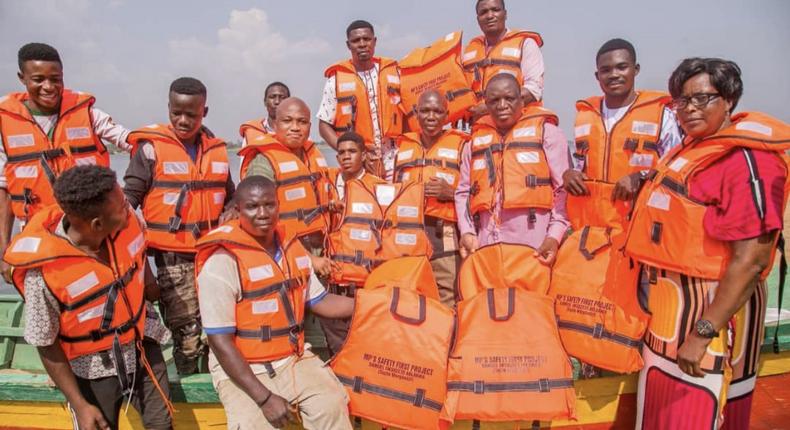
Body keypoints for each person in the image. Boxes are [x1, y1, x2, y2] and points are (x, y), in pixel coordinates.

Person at [624, 58, 789, 429]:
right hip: (669, 315)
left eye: (702, 99)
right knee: (659, 413)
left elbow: (751, 260)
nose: (689, 109)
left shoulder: (749, 161)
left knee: (701, 409)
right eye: (681, 102)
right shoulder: (691, 151)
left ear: (729, 99)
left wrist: (703, 333)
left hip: (710, 321)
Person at [3, 165, 172, 430]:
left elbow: (138, 256)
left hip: (141, 347)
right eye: (122, 207)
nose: (130, 209)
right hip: (90, 369)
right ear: (97, 224)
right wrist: (81, 405)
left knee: (162, 425)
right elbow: (45, 342)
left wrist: (151, 285)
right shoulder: (44, 274)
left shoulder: (129, 225)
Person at [196, 176, 353, 429]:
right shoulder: (221, 264)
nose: (262, 213)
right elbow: (219, 340)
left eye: (269, 205)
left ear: (279, 206)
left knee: (332, 405)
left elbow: (320, 301)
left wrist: (371, 305)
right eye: (252, 206)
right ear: (238, 211)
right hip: (243, 368)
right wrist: (264, 398)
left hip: (291, 358)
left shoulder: (292, 248)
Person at [123, 77, 235, 375]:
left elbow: (231, 198)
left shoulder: (218, 151)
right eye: (177, 113)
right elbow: (127, 202)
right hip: (172, 261)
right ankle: (189, 387)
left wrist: (231, 212)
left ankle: (219, 384)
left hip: (213, 256)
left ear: (204, 112)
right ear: (169, 108)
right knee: (187, 335)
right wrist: (140, 269)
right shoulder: (149, 150)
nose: (183, 120)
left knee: (221, 326)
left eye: (192, 114)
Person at [0, 43, 133, 280]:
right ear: (22, 78)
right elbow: (4, 190)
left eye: (56, 79)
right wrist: (3, 251)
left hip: (93, 233)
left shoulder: (89, 114)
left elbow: (132, 142)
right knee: (46, 296)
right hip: (38, 232)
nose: (48, 87)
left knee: (99, 295)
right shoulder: (4, 123)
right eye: (38, 79)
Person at [455, 73, 570, 265]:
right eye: (494, 100)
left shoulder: (548, 134)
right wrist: (466, 231)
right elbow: (463, 192)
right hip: (486, 246)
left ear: (521, 99)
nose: (501, 105)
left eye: (509, 98)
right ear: (486, 104)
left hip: (535, 247)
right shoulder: (474, 143)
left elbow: (563, 190)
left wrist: (554, 235)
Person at [563, 38, 682, 202]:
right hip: (594, 223)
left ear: (636, 69)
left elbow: (677, 169)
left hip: (639, 220)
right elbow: (579, 166)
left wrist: (642, 177)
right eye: (606, 70)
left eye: (622, 67)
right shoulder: (585, 117)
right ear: (597, 76)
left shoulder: (661, 116)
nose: (614, 75)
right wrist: (569, 174)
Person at [394, 90, 467, 307]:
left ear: (447, 116)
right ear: (416, 113)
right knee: (412, 296)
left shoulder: (462, 146)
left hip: (444, 234)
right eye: (425, 111)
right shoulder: (403, 147)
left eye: (437, 111)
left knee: (448, 296)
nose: (431, 116)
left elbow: (479, 193)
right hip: (409, 235)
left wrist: (451, 193)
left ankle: (448, 341)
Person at [320, 131, 384, 354]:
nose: (346, 157)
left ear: (364, 155)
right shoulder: (325, 184)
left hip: (364, 280)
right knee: (337, 348)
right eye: (341, 153)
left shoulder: (379, 188)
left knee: (366, 346)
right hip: (332, 279)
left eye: (352, 152)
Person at [317, 19, 405, 180]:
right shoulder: (334, 81)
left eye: (367, 39)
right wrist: (349, 152)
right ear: (348, 45)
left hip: (396, 158)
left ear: (374, 41)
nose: (362, 44)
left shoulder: (396, 74)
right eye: (356, 40)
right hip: (358, 166)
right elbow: (324, 125)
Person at [463, 0, 545, 122]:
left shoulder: (525, 44)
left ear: (505, 14)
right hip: (479, 128)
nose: (490, 15)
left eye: (495, 10)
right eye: (484, 12)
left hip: (517, 125)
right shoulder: (467, 52)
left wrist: (489, 107)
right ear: (478, 19)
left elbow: (533, 90)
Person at [239, 82, 291, 147]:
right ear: (265, 102)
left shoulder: (298, 131)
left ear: (290, 102)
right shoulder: (252, 132)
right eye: (272, 97)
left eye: (282, 97)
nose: (277, 101)